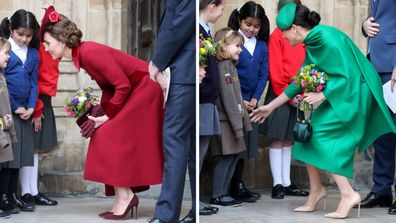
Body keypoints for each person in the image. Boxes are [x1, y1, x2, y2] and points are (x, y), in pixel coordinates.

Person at [250, 3, 396, 219]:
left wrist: (322, 95)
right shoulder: (314, 40)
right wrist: (270, 107)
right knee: (306, 136)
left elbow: (351, 76)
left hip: (355, 95)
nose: (284, 38)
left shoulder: (326, 39)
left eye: (284, 33)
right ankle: (317, 190)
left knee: (321, 138)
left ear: (295, 29)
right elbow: (301, 79)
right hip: (343, 93)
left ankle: (348, 194)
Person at [41, 7, 164, 220]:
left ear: (61, 40)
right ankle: (122, 196)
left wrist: (107, 116)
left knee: (107, 134)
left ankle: (126, 195)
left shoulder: (89, 52)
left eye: (48, 43)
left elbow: (122, 85)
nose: (46, 48)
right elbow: (110, 88)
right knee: (105, 132)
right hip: (135, 89)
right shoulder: (84, 54)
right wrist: (101, 111)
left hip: (145, 89)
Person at [148, 0, 196, 222]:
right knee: (191, 145)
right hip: (188, 69)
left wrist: (158, 61)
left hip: (184, 70)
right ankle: (196, 209)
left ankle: (167, 215)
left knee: (175, 140)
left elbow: (181, 23)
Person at [260, 0, 308, 199]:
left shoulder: (302, 36)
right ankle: (277, 183)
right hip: (281, 93)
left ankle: (287, 182)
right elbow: (276, 70)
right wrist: (288, 96)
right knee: (278, 139)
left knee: (289, 139)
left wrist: (303, 93)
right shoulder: (277, 36)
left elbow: (307, 65)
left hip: (299, 93)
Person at [227, 0, 268, 202]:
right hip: (235, 101)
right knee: (235, 142)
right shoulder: (233, 42)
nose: (251, 29)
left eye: (256, 26)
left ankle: (239, 182)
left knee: (246, 144)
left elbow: (263, 74)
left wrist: (254, 98)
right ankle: (232, 184)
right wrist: (241, 99)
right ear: (240, 21)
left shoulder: (261, 46)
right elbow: (229, 72)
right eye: (248, 24)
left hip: (252, 103)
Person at [358, 0, 396, 215]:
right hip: (376, 63)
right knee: (382, 133)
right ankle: (382, 189)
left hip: (392, 65)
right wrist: (365, 25)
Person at [0, 9, 40, 213]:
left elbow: (34, 82)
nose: (24, 39)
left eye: (29, 35)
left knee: (21, 155)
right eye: (20, 34)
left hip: (27, 112)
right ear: (11, 30)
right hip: (9, 111)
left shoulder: (33, 54)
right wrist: (16, 107)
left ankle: (13, 195)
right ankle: (4, 195)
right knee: (9, 156)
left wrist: (32, 106)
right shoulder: (5, 51)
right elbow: (4, 83)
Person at [20, 6, 60, 207]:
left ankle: (33, 191)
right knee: (29, 148)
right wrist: (37, 109)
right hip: (36, 100)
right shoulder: (40, 51)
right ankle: (26, 192)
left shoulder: (53, 50)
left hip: (45, 100)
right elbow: (33, 81)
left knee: (34, 149)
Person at [209, 27, 252, 207]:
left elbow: (238, 98)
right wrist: (238, 125)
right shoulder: (223, 66)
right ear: (224, 46)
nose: (240, 50)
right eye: (237, 46)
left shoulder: (230, 66)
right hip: (226, 122)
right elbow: (229, 99)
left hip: (233, 121)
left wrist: (244, 121)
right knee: (227, 157)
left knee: (234, 156)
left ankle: (224, 192)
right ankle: (217, 194)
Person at [199, 0, 224, 216]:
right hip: (200, 100)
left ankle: (197, 199)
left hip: (207, 99)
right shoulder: (197, 31)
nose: (222, 12)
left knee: (202, 148)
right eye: (222, 8)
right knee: (197, 151)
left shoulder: (205, 31)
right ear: (212, 6)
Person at [0, 37, 15, 219]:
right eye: (5, 52)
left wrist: (11, 131)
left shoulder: (2, 77)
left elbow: (6, 109)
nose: (9, 57)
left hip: (5, 132)